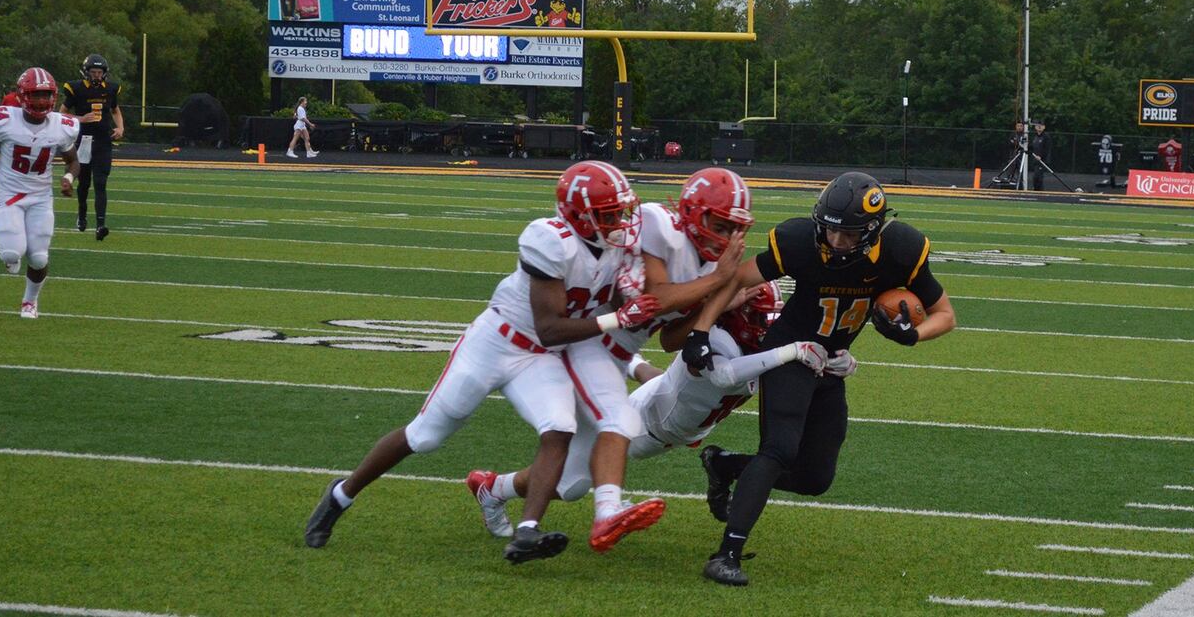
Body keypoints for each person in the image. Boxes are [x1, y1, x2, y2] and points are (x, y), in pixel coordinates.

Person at [303, 161, 666, 563]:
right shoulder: (550, 240)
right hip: (496, 343)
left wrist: (627, 298)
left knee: (559, 428)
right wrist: (618, 317)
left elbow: (596, 311)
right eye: (608, 213)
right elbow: (550, 327)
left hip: (540, 358)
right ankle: (341, 495)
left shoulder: (618, 249)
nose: (620, 221)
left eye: (621, 210)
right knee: (425, 436)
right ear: (579, 215)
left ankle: (527, 532)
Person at [687, 171, 956, 586]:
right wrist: (700, 331)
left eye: (847, 235)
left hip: (831, 362)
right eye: (830, 231)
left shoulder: (901, 250)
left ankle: (726, 465)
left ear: (872, 229)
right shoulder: (798, 240)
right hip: (789, 350)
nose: (836, 241)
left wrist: (912, 334)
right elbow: (737, 279)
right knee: (778, 449)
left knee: (815, 478)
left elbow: (945, 316)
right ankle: (727, 554)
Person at [468, 282, 845, 541]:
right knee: (571, 485)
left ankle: (619, 359)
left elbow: (770, 370)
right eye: (760, 318)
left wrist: (832, 361)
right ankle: (493, 488)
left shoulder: (742, 343)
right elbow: (728, 374)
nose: (767, 328)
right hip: (645, 426)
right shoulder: (714, 338)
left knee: (658, 386)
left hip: (664, 406)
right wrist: (792, 352)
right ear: (735, 313)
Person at [0, 68, 82, 318]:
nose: (41, 101)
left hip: (41, 197)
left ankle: (29, 302)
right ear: (22, 96)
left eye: (45, 95)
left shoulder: (61, 126)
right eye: (36, 95)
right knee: (11, 253)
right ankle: (13, 253)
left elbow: (73, 161)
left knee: (39, 258)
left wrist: (67, 177)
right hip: (11, 194)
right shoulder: (4, 119)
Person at [60, 54, 124, 240]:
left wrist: (120, 127)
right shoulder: (77, 89)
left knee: (101, 183)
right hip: (84, 140)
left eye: (99, 72)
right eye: (93, 72)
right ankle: (81, 214)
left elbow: (115, 110)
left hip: (103, 140)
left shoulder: (111, 89)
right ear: (86, 72)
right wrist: (80, 119)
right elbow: (62, 114)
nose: (96, 75)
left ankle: (101, 225)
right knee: (84, 183)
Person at [1027, 121, 1050, 190]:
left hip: (1042, 160)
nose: (1039, 127)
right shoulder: (1034, 136)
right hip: (1035, 160)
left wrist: (1041, 156)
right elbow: (1031, 147)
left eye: (1041, 125)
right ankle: (1036, 191)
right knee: (1035, 177)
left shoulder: (1046, 137)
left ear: (1044, 127)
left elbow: (1047, 149)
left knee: (1038, 177)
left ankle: (1040, 192)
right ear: (1035, 127)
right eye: (1038, 125)